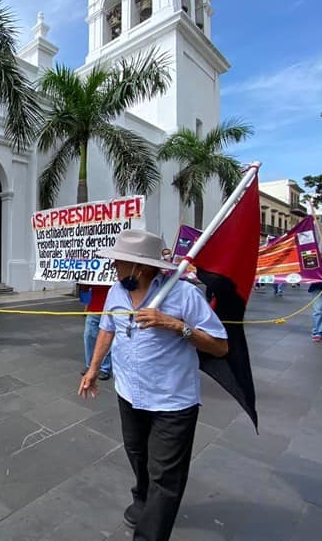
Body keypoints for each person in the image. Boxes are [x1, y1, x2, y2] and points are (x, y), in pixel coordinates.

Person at [79, 230, 228, 541]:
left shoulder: (184, 295)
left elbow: (219, 346)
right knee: (138, 455)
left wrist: (175, 325)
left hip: (172, 401)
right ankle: (142, 501)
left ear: (141, 267)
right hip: (129, 393)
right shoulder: (116, 292)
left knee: (165, 477)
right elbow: (108, 329)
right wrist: (93, 369)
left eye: (119, 263)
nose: (114, 268)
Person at [81, 285, 111, 380]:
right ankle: (90, 365)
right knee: (89, 336)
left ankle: (104, 368)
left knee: (108, 339)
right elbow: (85, 288)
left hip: (111, 311)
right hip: (94, 307)